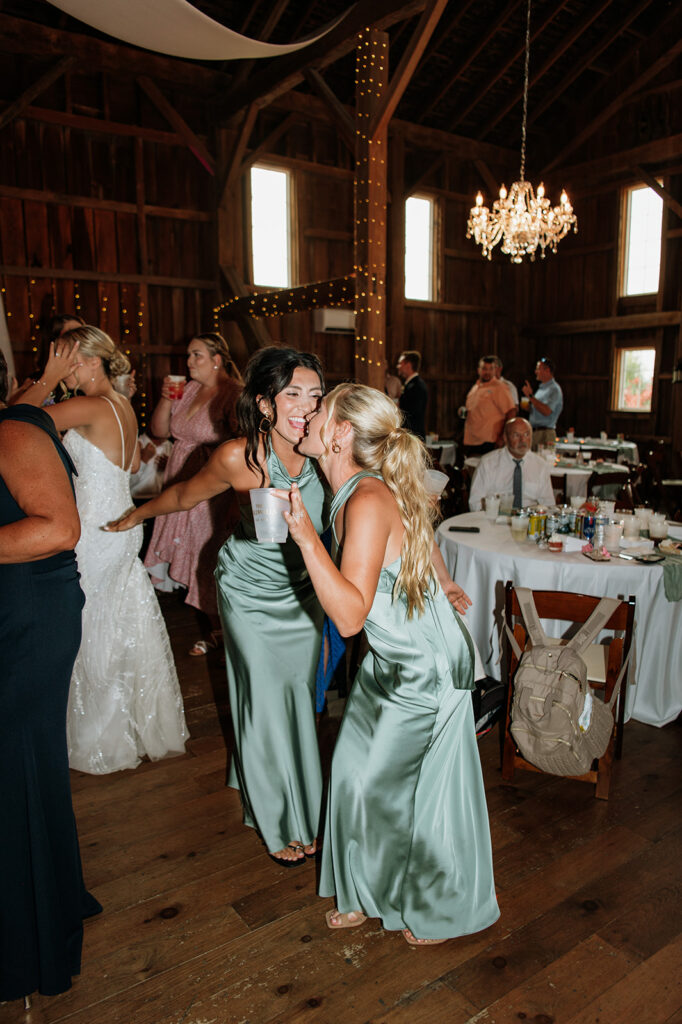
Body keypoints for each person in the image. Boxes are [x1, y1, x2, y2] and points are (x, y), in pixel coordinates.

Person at [276, 383, 499, 945]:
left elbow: (349, 618)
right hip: (392, 657)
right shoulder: (354, 487)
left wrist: (305, 539)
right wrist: (442, 579)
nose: (308, 414)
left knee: (410, 788)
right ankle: (362, 889)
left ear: (341, 433)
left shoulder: (367, 498)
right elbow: (418, 537)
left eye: (319, 408)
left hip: (423, 666)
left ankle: (440, 908)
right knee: (354, 775)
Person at [106, 347, 329, 863]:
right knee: (264, 696)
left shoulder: (329, 450)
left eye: (316, 395)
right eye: (293, 394)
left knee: (295, 692)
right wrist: (136, 515)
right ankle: (279, 818)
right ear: (265, 403)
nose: (307, 407)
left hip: (305, 589)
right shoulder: (238, 456)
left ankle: (256, 770)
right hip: (250, 588)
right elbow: (185, 495)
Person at [18, 328, 188, 774]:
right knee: (114, 625)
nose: (64, 372)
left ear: (93, 362)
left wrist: (46, 379)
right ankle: (118, 729)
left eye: (68, 361)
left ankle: (98, 738)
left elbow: (17, 421)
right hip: (119, 525)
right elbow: (130, 465)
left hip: (95, 530)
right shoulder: (120, 404)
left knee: (88, 627)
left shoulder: (91, 405)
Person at [0, 362, 102, 1005]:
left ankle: (30, 944)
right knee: (20, 772)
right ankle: (47, 901)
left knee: (18, 771)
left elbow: (59, 528)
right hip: (14, 607)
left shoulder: (13, 432)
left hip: (30, 616)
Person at [144, 332, 242, 655]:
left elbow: (242, 443)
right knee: (193, 556)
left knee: (206, 557)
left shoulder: (233, 394)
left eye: (196, 355)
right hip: (179, 477)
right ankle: (217, 633)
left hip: (210, 486)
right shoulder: (187, 390)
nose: (188, 362)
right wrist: (165, 399)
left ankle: (225, 635)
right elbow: (160, 431)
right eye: (188, 355)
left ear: (217, 360)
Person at [469, 417, 556, 511]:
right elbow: (475, 503)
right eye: (516, 435)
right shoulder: (488, 463)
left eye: (526, 434)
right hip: (495, 516)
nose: (522, 440)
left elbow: (549, 505)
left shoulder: (540, 465)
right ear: (505, 438)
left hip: (529, 517)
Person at [463, 355, 515, 455]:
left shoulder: (500, 387)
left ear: (495, 370)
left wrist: (503, 437)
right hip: (471, 441)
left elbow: (511, 412)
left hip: (490, 442)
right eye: (484, 369)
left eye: (491, 369)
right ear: (478, 370)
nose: (487, 372)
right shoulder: (475, 387)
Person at [522, 356, 563, 450]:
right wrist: (528, 407)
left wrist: (530, 396)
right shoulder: (541, 389)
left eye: (538, 369)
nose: (535, 372)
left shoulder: (554, 389)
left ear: (547, 370)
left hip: (545, 434)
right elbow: (538, 409)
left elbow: (547, 411)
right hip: (535, 432)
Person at [395, 350, 428, 439]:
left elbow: (412, 413)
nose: (398, 366)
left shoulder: (417, 386)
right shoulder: (410, 385)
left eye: (400, 363)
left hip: (413, 436)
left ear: (408, 365)